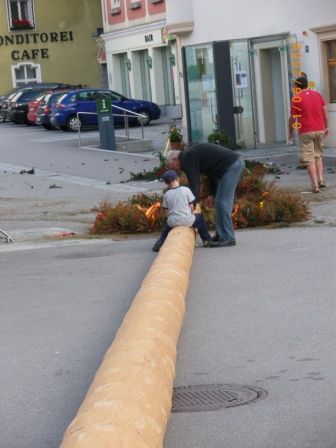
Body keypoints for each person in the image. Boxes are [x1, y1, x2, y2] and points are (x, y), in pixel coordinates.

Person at [165, 143, 244, 247]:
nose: (175, 170)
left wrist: (190, 207)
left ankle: (228, 238)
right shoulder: (189, 155)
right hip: (229, 166)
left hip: (232, 166)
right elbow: (211, 172)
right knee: (219, 201)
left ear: (175, 160)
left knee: (222, 202)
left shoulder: (187, 158)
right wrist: (212, 194)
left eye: (173, 167)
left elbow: (195, 185)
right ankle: (221, 235)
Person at [152, 170, 213, 252]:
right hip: (186, 220)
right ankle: (207, 240)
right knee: (200, 219)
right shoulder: (186, 190)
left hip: (172, 221)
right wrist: (190, 212)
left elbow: (166, 211)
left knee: (165, 230)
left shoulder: (166, 194)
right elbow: (191, 206)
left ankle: (159, 243)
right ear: (178, 179)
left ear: (166, 183)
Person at [288, 76, 329, 193]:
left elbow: (292, 118)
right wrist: (326, 127)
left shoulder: (296, 98)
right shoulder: (317, 95)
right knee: (318, 155)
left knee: (309, 158)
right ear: (307, 84)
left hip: (306, 131)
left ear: (297, 86)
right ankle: (321, 180)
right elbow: (324, 111)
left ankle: (315, 185)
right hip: (320, 129)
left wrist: (290, 132)